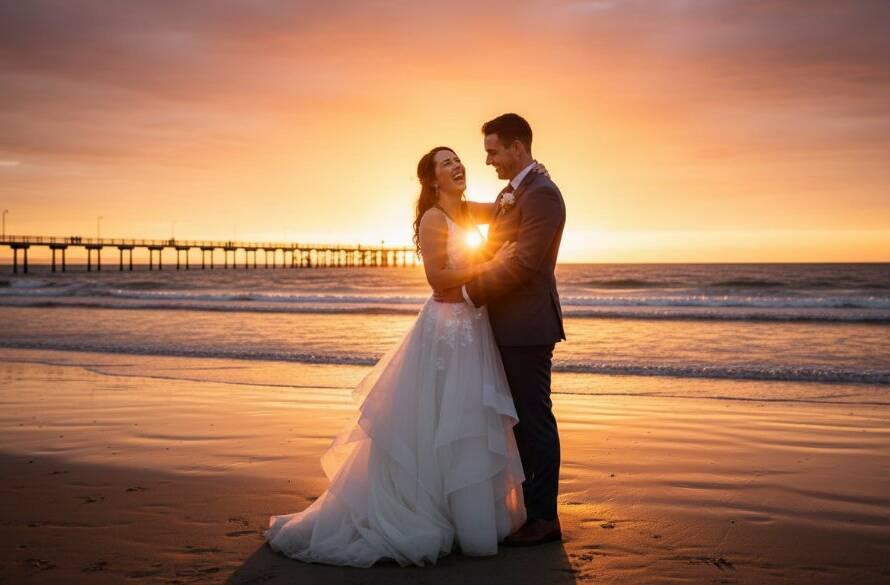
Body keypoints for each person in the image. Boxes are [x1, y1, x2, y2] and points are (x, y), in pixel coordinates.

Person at [264, 145, 529, 567]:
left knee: (467, 421)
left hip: (473, 327)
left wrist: (530, 180)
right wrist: (490, 264)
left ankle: (468, 518)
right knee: (436, 420)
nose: (457, 166)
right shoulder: (433, 218)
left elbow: (507, 208)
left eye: (458, 159)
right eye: (447, 163)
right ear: (432, 180)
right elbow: (437, 278)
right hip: (445, 330)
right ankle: (425, 511)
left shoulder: (468, 210)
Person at [436, 113, 566, 547]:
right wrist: (440, 205)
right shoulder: (514, 192)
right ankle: (528, 508)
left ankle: (545, 518)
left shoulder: (543, 194)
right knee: (515, 421)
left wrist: (471, 291)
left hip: (527, 325)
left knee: (533, 420)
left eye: (493, 151)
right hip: (507, 323)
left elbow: (525, 261)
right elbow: (493, 231)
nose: (488, 159)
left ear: (517, 148)